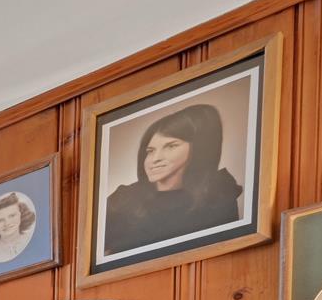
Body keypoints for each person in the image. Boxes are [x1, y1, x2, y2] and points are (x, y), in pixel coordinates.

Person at [101, 103, 244, 256]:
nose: (155, 159)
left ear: (199, 147)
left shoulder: (219, 195)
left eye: (171, 146)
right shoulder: (123, 200)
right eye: (150, 151)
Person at [0, 192, 36, 264]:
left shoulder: (31, 240)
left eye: (12, 216)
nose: (7, 223)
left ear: (20, 215)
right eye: (1, 220)